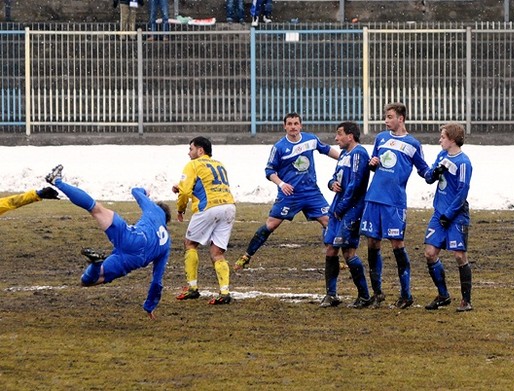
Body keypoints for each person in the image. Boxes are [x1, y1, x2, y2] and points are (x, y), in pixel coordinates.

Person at [44, 164, 171, 320]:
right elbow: (157, 279)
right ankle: (97, 263)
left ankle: (57, 181)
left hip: (132, 237)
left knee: (95, 208)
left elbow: (135, 191)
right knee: (87, 281)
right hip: (132, 260)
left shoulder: (154, 209)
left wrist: (146, 192)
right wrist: (150, 305)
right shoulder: (167, 244)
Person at [233, 112, 340, 272]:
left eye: (296, 123)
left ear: (301, 125)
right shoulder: (279, 147)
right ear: (285, 126)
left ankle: (332, 258)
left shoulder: (311, 139)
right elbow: (269, 171)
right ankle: (246, 256)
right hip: (290, 195)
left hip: (311, 192)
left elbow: (327, 150)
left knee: (329, 221)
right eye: (289, 124)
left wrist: (345, 158)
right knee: (271, 225)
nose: (293, 127)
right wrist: (282, 184)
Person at [359, 102, 431, 309]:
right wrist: (373, 164)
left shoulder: (413, 144)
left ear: (401, 119)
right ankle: (378, 293)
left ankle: (406, 294)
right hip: (374, 198)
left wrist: (435, 174)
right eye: (385, 116)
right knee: (372, 243)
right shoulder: (381, 138)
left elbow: (423, 169)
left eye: (390, 116)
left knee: (397, 244)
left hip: (394, 202)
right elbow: (376, 163)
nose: (386, 120)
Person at [173, 137, 236, 305]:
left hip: (209, 207)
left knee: (190, 243)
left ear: (200, 151)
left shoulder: (193, 164)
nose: (189, 153)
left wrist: (180, 209)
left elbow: (185, 192)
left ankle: (192, 288)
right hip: (229, 206)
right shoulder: (219, 164)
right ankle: (224, 292)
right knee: (217, 252)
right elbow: (206, 185)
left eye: (191, 149)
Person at [422, 123, 474, 312]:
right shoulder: (442, 156)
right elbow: (428, 177)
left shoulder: (463, 163)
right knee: (430, 253)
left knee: (459, 256)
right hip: (439, 212)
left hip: (456, 214)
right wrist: (434, 173)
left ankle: (466, 301)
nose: (440, 139)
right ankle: (443, 294)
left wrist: (449, 214)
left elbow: (462, 193)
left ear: (452, 139)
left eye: (443, 136)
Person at [320, 122, 372, 308]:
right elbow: (335, 177)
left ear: (350, 136)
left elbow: (356, 184)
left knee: (348, 252)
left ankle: (365, 295)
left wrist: (342, 207)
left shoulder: (359, 153)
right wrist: (331, 184)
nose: (336, 138)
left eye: (339, 134)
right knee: (330, 249)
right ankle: (331, 295)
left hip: (351, 209)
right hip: (337, 207)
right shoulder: (343, 154)